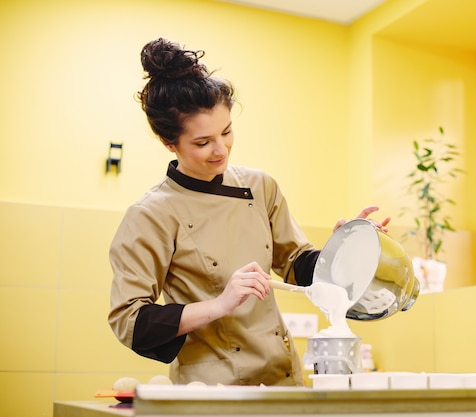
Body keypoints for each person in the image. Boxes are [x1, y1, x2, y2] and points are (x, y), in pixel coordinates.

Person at [108, 37, 390, 386]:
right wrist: (218, 305)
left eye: (226, 132)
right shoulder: (152, 214)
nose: (220, 149)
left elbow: (296, 265)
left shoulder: (260, 187)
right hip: (213, 391)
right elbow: (130, 320)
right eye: (202, 142)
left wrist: (346, 250)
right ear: (169, 143)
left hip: (283, 379)